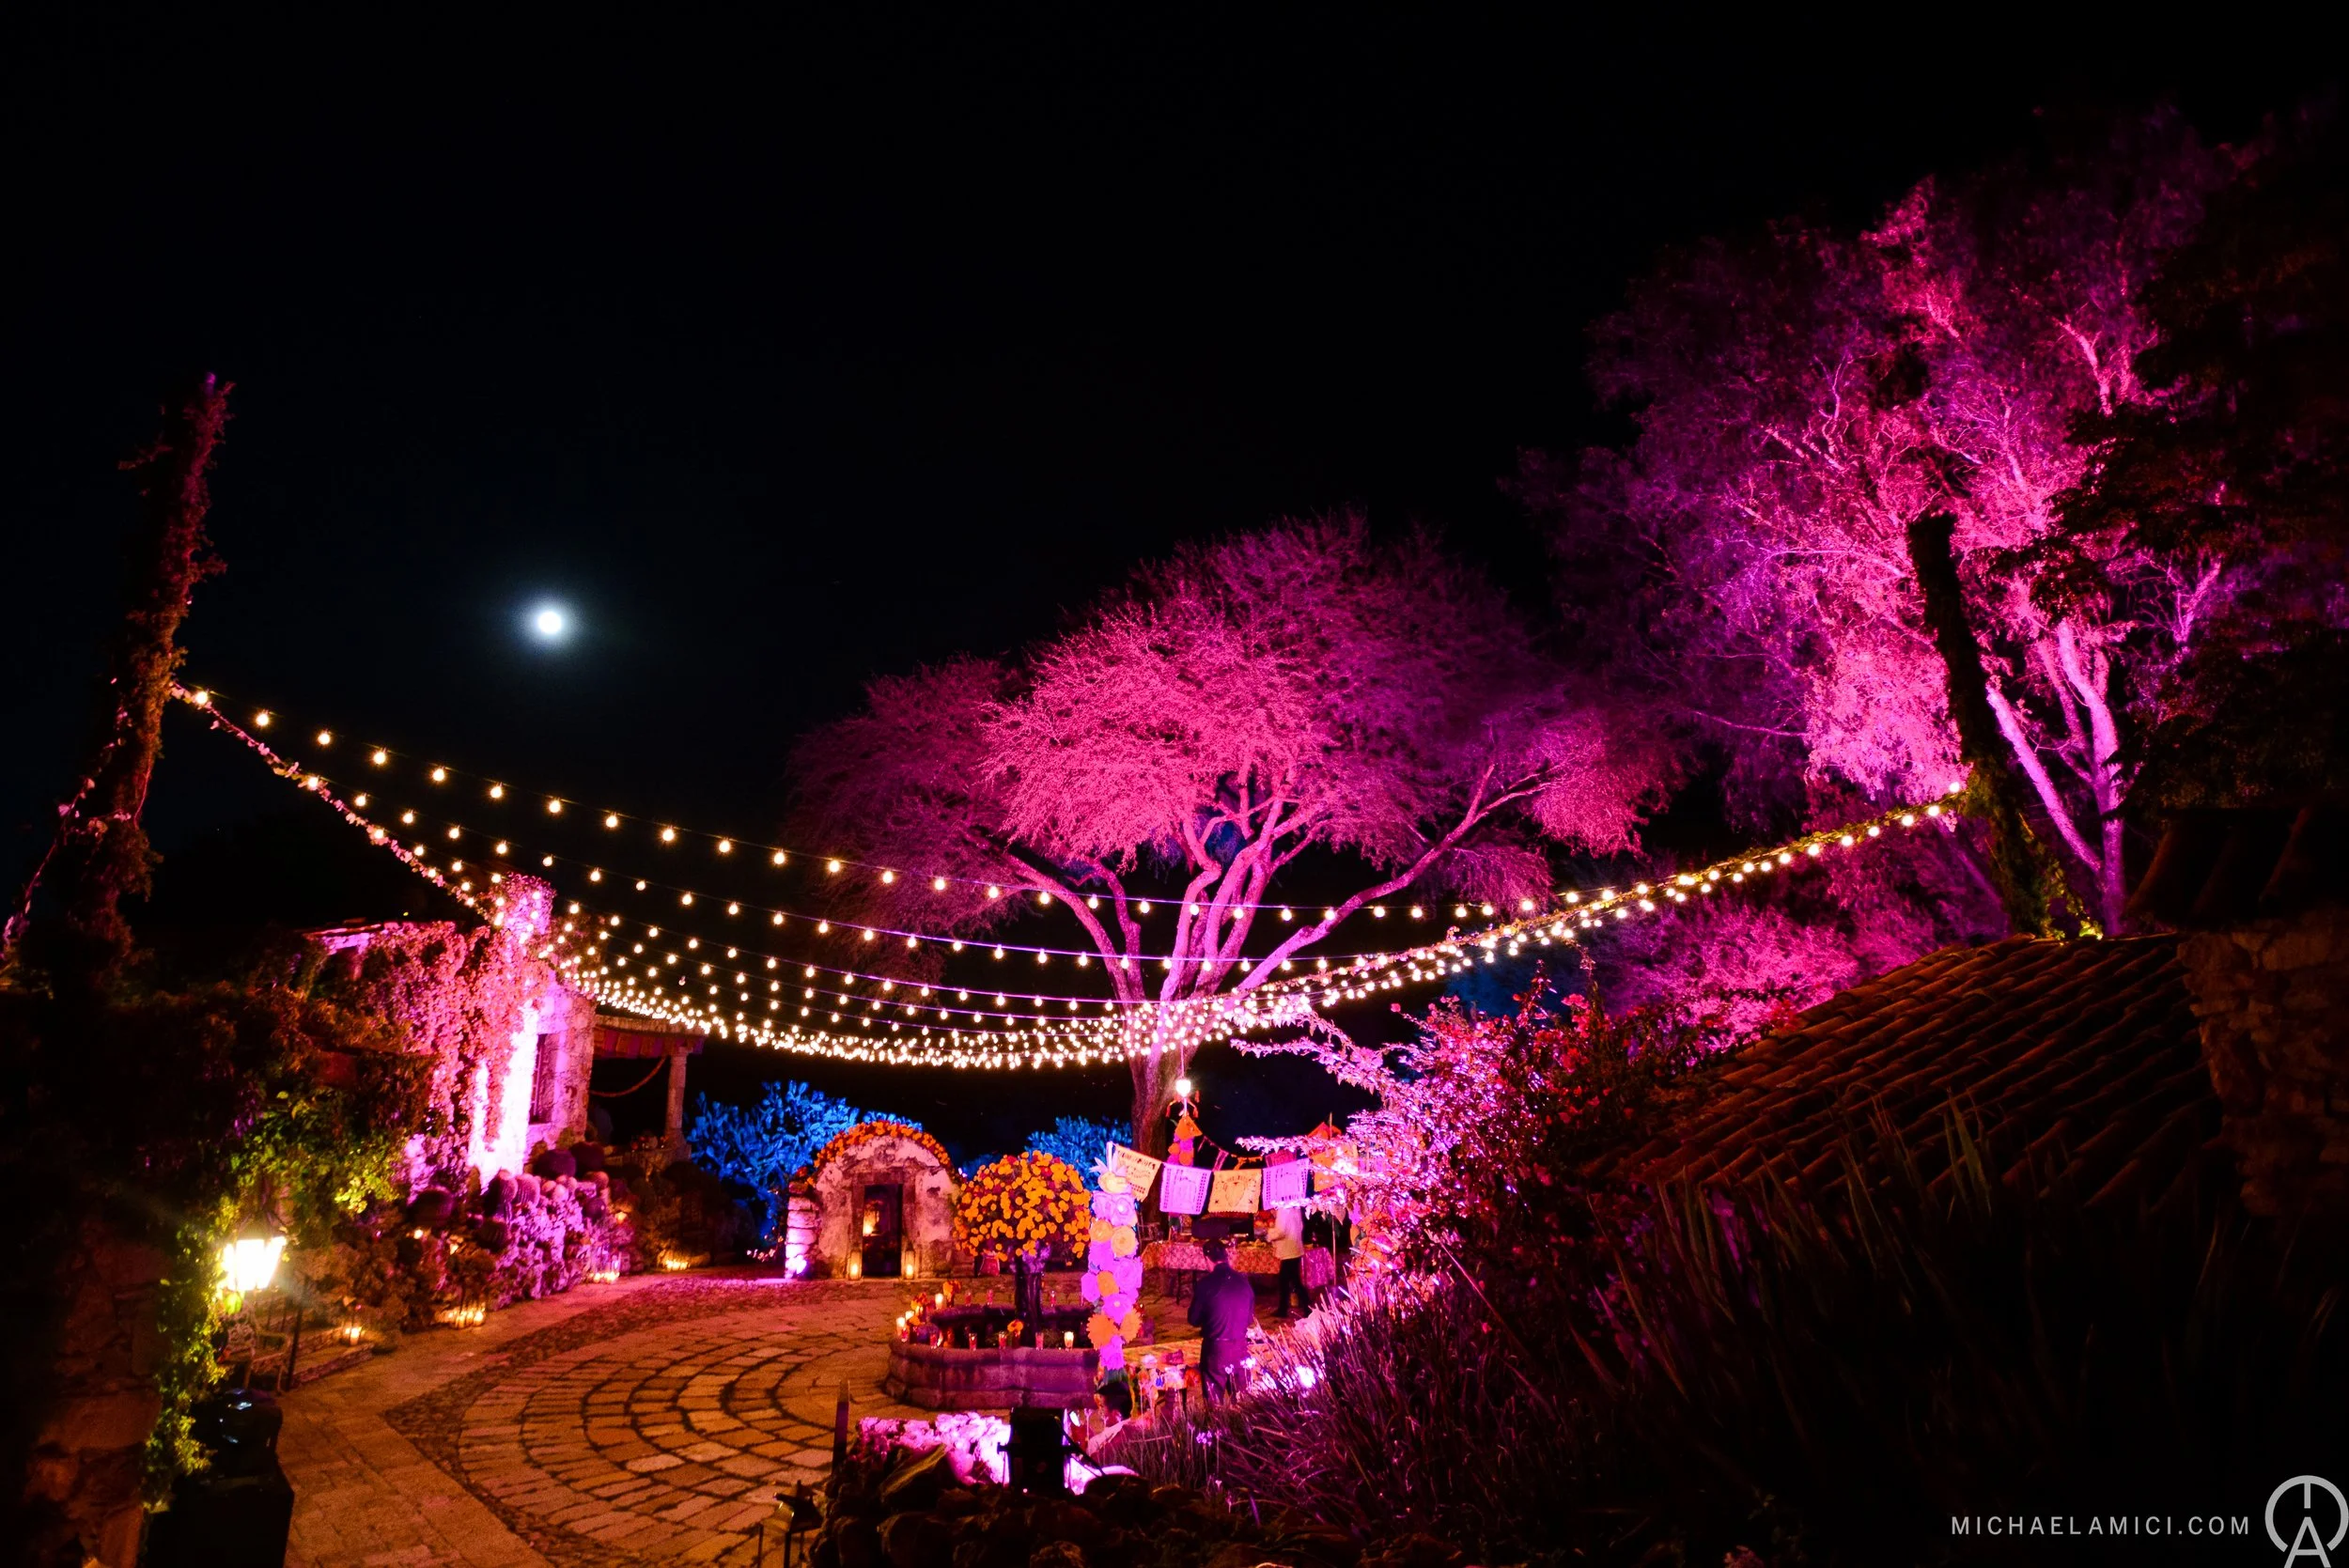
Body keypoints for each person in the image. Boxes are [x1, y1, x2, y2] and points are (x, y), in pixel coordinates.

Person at [1185, 1234, 1255, 1400]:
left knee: (1214, 1407)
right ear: (1226, 1258)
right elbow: (1249, 1318)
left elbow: (1193, 1319)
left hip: (1215, 1352)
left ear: (1207, 1259)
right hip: (1240, 1348)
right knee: (1244, 1405)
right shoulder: (1244, 1282)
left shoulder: (1205, 1285)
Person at [1269, 1202, 1311, 1318]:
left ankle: (1286, 1309)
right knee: (1292, 1280)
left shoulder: (1283, 1210)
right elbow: (1300, 1226)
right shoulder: (1295, 1208)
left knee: (1288, 1281)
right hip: (1295, 1248)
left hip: (1289, 1250)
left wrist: (1269, 1234)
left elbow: (1281, 1231)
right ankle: (1300, 1307)